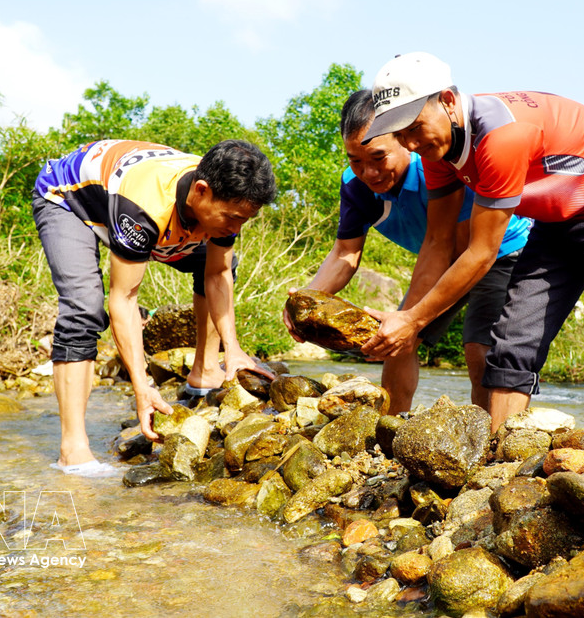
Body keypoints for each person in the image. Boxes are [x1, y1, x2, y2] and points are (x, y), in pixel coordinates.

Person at [359, 52, 584, 431]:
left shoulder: (500, 137)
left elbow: (481, 253)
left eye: (414, 126)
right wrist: (407, 318)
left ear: (448, 101)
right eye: (400, 133)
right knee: (512, 341)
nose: (409, 143)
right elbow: (438, 241)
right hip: (557, 220)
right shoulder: (436, 151)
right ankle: (500, 465)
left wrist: (412, 321)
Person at [33, 139, 276, 476]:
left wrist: (233, 350)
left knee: (217, 260)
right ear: (201, 191)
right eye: (233, 218)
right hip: (70, 201)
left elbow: (218, 274)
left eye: (244, 221)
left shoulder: (224, 200)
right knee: (83, 307)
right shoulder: (144, 205)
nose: (236, 229)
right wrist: (142, 385)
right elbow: (124, 298)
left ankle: (205, 371)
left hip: (136, 201)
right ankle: (72, 448)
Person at [284, 90, 531, 412]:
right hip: (440, 258)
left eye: (378, 158)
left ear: (405, 139)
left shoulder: (437, 169)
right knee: (395, 341)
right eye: (355, 161)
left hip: (500, 252)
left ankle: (490, 441)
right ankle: (391, 424)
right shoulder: (356, 187)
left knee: (477, 347)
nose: (369, 173)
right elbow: (344, 254)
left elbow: (456, 249)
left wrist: (410, 323)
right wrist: (306, 301)